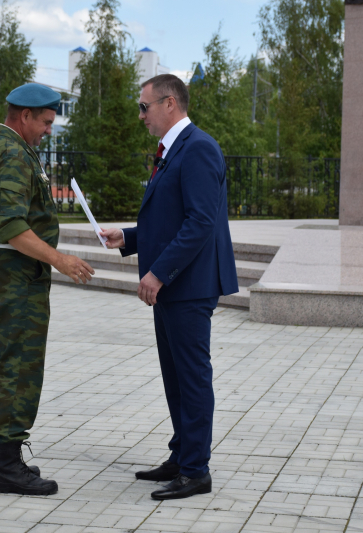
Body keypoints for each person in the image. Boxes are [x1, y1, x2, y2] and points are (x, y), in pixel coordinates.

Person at [100, 74, 239, 500]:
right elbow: (172, 219)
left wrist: (158, 273)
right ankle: (182, 457)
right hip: (175, 285)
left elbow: (200, 222)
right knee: (176, 378)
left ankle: (196, 470)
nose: (141, 115)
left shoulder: (198, 148)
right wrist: (129, 236)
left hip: (189, 285)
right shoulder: (174, 149)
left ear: (170, 104)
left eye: (145, 107)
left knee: (192, 378)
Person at [0, 83, 95, 495]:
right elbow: (11, 224)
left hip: (6, 269)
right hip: (17, 272)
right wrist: (59, 259)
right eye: (45, 122)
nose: (47, 130)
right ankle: (7, 465)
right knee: (18, 365)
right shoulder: (11, 152)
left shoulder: (3, 146)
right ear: (24, 115)